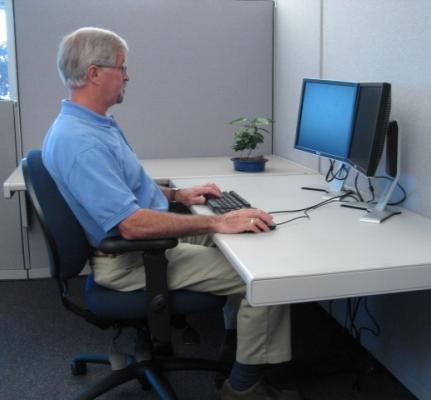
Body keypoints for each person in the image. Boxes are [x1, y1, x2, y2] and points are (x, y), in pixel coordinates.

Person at [42, 27, 300, 400]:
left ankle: (237, 345)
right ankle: (243, 387)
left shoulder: (94, 125)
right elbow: (130, 224)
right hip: (133, 258)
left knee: (249, 241)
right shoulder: (80, 142)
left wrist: (178, 194)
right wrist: (215, 219)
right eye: (121, 67)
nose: (127, 75)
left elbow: (122, 191)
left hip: (142, 239)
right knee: (265, 277)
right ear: (94, 73)